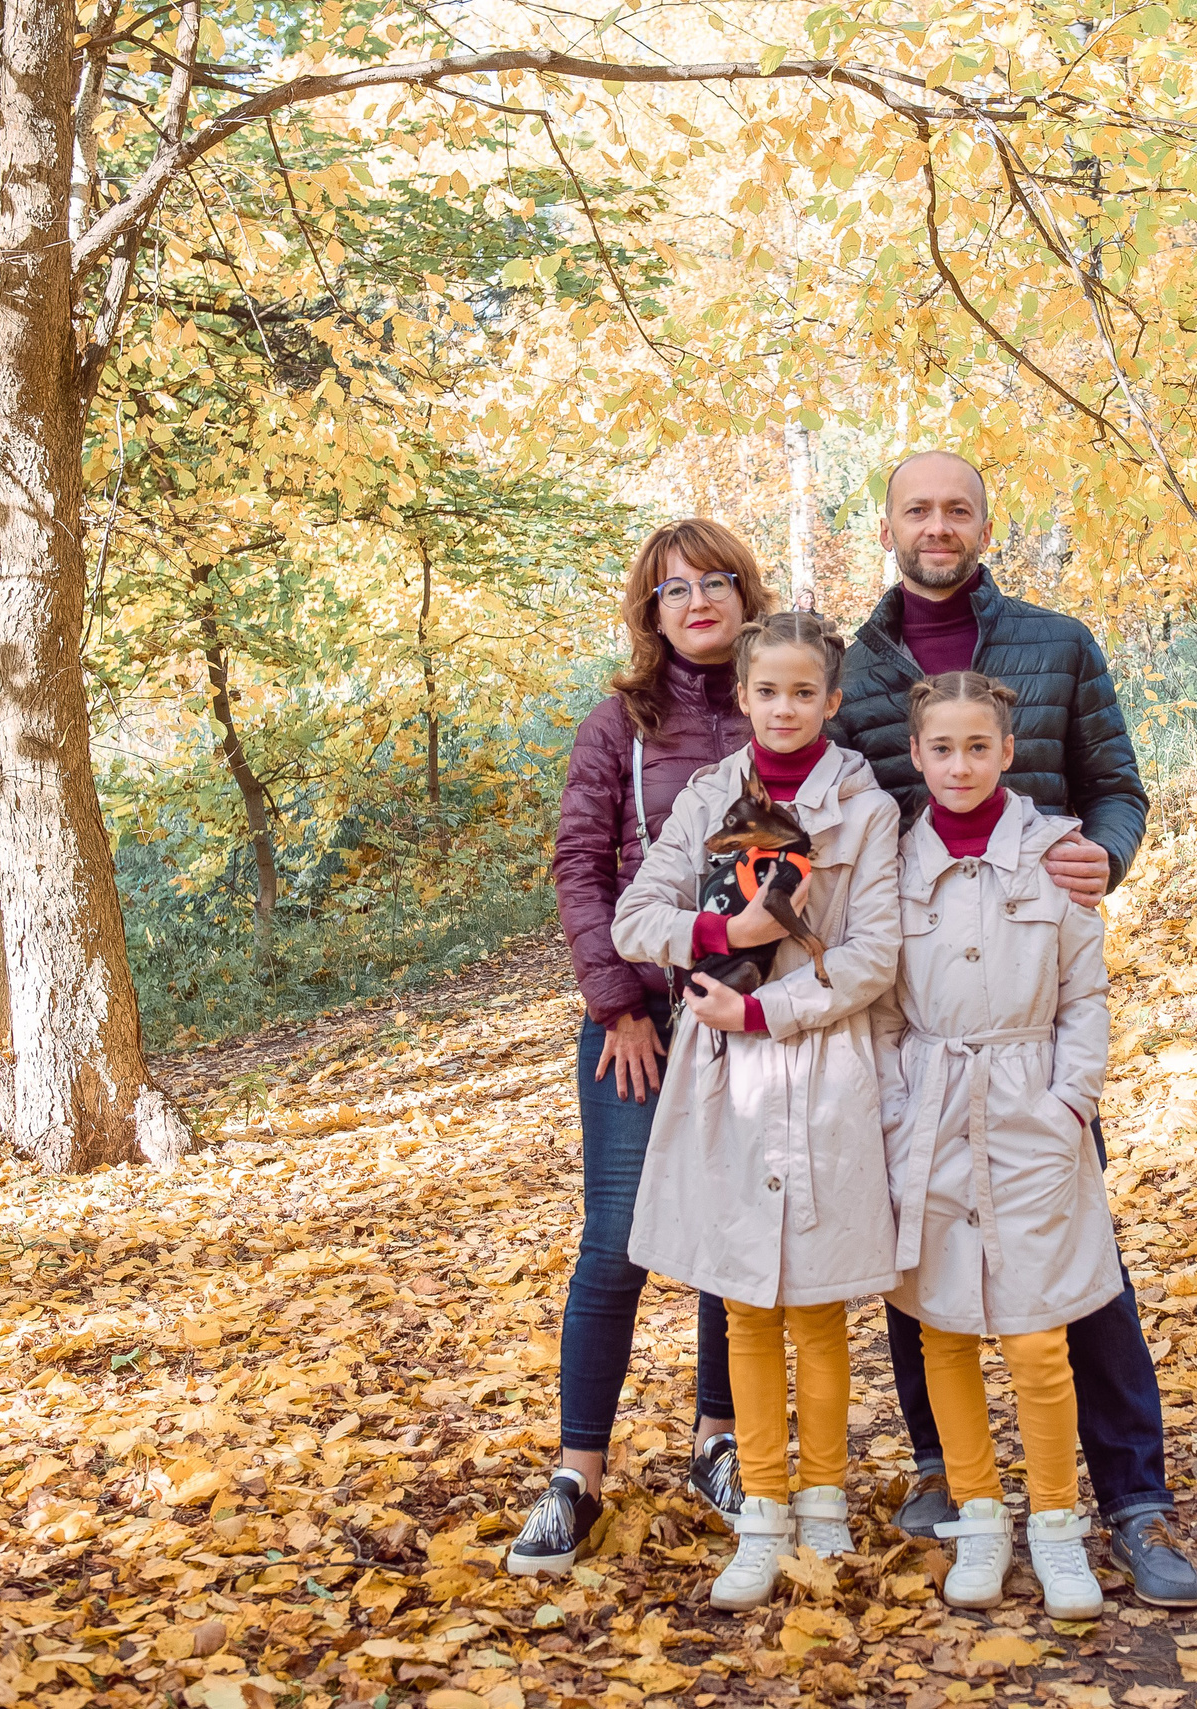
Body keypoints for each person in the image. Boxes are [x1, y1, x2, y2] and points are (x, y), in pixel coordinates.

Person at [832, 449, 1197, 1608]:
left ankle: (1131, 1495)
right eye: (917, 510)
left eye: (957, 509)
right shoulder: (850, 669)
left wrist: (1107, 856)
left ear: (984, 525)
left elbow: (1118, 787)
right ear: (887, 527)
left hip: (1030, 1010)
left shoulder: (1056, 642)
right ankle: (951, 1475)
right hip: (918, 1007)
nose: (937, 526)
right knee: (920, 1256)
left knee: (1079, 1269)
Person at [612, 611, 905, 1611]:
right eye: (766, 691)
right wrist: (722, 935)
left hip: (822, 1063)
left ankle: (823, 1498)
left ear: (832, 700)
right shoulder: (706, 799)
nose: (783, 708)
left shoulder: (864, 812)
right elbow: (636, 919)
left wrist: (765, 1007)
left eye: (803, 692)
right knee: (744, 1302)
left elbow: (873, 954)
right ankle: (764, 1509)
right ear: (741, 697)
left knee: (817, 1304)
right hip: (726, 1078)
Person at [512, 520, 767, 1577]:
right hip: (641, 1023)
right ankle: (577, 1475)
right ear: (651, 611)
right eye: (675, 588)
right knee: (616, 1240)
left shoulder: (781, 704)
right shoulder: (618, 725)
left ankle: (719, 1441)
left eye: (716, 581)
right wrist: (616, 1000)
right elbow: (580, 862)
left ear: (746, 595)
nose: (698, 600)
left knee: (729, 1234)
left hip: (749, 1017)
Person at [878, 671, 1117, 1620]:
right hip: (930, 1111)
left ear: (1008, 752)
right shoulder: (896, 863)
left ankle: (1056, 1523)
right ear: (917, 755)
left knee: (1036, 1334)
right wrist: (897, 1111)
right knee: (942, 1325)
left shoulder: (1057, 856)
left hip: (1029, 1109)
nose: (960, 764)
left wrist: (1070, 1105)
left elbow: (1085, 994)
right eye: (942, 748)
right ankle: (979, 1514)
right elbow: (883, 1009)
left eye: (979, 746)